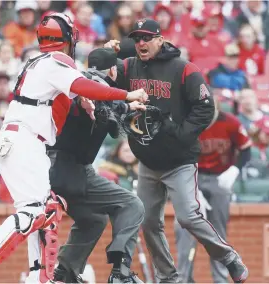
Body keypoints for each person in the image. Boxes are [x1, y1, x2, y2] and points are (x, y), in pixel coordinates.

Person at [0, 12, 148, 284]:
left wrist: (89, 94)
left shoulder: (38, 61)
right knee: (36, 210)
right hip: (26, 139)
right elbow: (83, 84)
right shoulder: (57, 60)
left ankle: (41, 276)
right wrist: (126, 94)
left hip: (23, 139)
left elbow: (74, 91)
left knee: (46, 210)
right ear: (69, 38)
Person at [104, 18, 249, 283]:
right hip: (147, 161)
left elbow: (205, 106)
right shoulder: (128, 66)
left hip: (179, 161)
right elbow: (102, 76)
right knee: (147, 223)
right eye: (137, 39)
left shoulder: (183, 69)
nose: (141, 43)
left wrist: (181, 133)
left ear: (160, 39)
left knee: (188, 217)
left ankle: (228, 256)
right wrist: (105, 54)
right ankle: (168, 278)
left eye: (147, 38)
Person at [48, 47, 146, 284]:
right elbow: (104, 112)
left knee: (94, 219)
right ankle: (120, 272)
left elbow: (106, 109)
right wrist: (125, 104)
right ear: (113, 69)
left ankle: (66, 273)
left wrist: (126, 108)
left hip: (56, 169)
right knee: (132, 205)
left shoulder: (85, 84)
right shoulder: (92, 85)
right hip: (69, 169)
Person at [174, 97, 252, 283]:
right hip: (192, 176)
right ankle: (184, 278)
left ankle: (221, 279)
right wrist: (192, 189)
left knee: (218, 230)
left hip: (220, 178)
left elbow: (246, 149)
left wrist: (234, 170)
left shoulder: (230, 122)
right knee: (184, 228)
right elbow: (176, 156)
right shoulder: (187, 122)